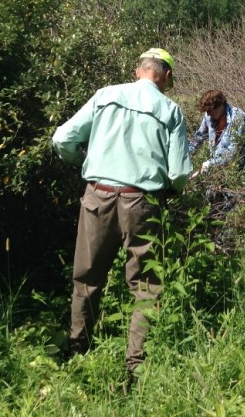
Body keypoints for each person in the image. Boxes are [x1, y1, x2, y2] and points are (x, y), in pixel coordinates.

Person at [51, 47, 192, 383]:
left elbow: (61, 138)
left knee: (86, 279)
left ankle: (77, 354)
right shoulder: (170, 110)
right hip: (142, 203)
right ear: (167, 76)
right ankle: (135, 370)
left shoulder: (104, 96)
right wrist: (169, 190)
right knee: (145, 287)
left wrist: (84, 166)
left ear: (137, 70)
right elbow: (180, 174)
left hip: (96, 197)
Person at [189, 90, 245, 176]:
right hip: (217, 169)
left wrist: (210, 163)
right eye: (206, 112)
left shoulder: (238, 117)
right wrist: (187, 153)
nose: (208, 114)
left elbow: (234, 150)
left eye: (210, 111)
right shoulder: (208, 116)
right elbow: (199, 138)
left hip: (239, 170)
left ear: (220, 105)